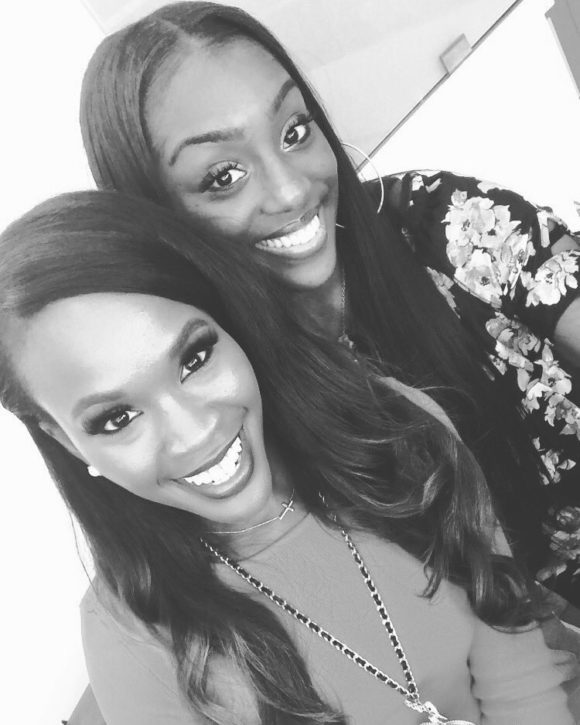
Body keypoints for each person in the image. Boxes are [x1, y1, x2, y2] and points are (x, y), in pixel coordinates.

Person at [0, 190, 575, 724]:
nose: (195, 434)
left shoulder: (395, 430)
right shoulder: (129, 638)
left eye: (194, 359)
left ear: (228, 322)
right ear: (64, 440)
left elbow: (520, 679)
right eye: (117, 418)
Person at [79, 1, 580, 603]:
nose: (292, 190)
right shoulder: (223, 398)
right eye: (223, 176)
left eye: (294, 131)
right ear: (159, 218)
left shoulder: (445, 223)